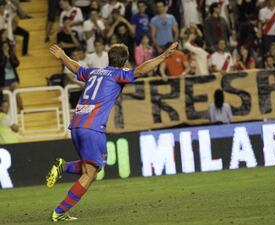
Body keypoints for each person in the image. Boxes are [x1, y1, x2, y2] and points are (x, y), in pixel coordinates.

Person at [46, 42, 178, 221]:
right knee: (90, 173)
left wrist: (63, 56)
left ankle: (64, 166)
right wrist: (163, 56)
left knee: (93, 166)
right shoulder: (118, 75)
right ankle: (59, 211)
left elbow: (76, 68)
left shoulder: (94, 73)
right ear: (124, 61)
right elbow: (140, 71)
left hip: (76, 125)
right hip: (92, 128)